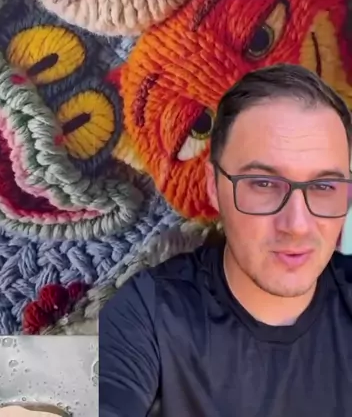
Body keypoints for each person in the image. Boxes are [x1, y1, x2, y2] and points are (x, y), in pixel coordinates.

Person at [99, 63, 352, 417]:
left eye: (324, 187)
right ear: (213, 187)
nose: (297, 225)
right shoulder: (151, 311)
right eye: (263, 184)